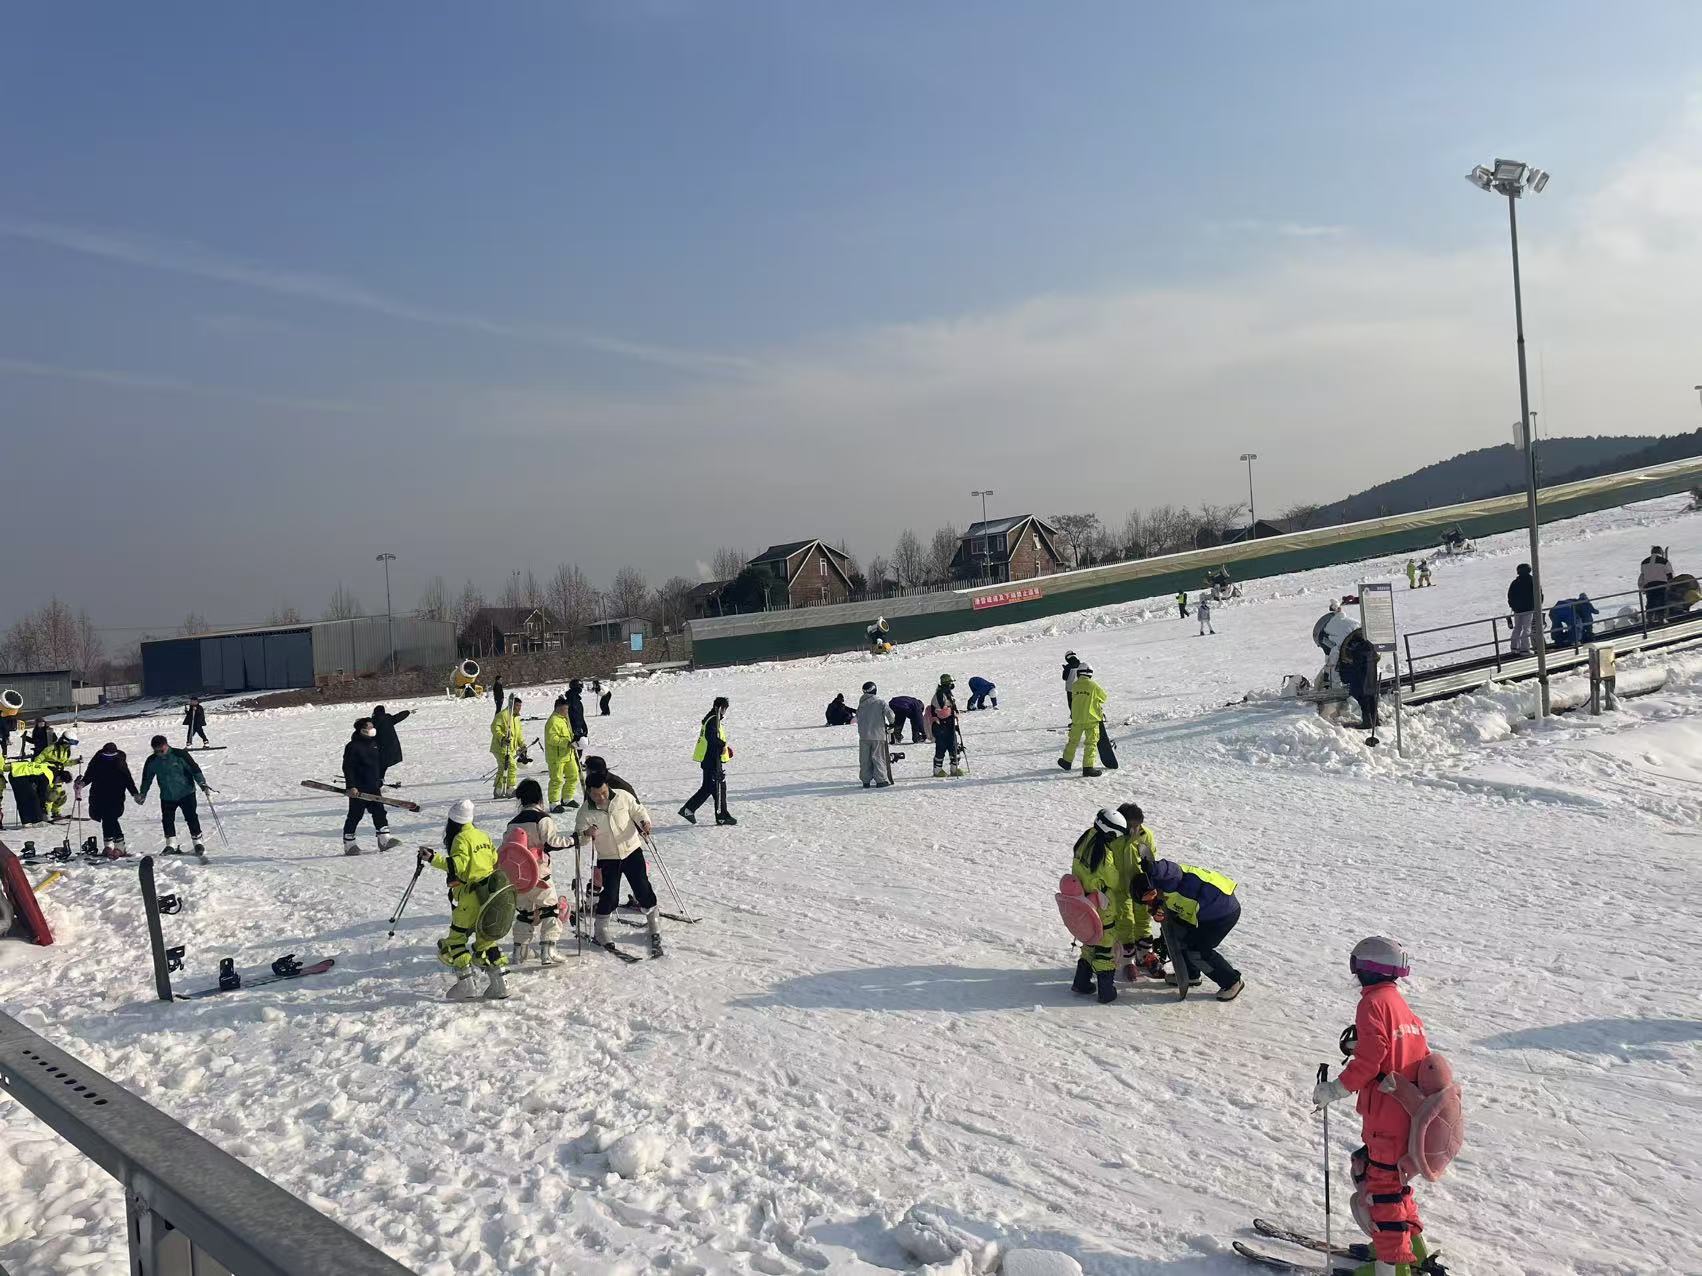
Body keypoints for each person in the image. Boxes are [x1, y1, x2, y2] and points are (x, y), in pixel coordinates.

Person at [1310, 937, 1438, 1275]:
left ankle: (1391, 1267)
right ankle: (1410, 1249)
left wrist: (1335, 1089)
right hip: (1404, 1115)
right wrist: (1362, 1044)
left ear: (1365, 968)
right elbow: (1404, 1053)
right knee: (1384, 1178)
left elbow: (1372, 1059)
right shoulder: (1399, 1005)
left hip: (1388, 1117)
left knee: (1381, 1189)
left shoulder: (1372, 1004)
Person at [420, 798, 510, 1000]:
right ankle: (501, 984)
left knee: (455, 941)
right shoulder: (483, 836)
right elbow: (494, 860)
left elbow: (458, 866)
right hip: (489, 896)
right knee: (486, 940)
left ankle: (466, 985)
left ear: (453, 821)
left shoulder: (460, 839)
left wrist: (433, 858)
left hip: (469, 898)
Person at [1129, 855, 1243, 1000]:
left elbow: (1172, 870)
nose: (1148, 902)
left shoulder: (1169, 880)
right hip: (1203, 912)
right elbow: (1171, 915)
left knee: (1197, 950)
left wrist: (1155, 867)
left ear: (1153, 887)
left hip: (1221, 912)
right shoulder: (1161, 895)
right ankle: (1190, 975)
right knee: (1177, 937)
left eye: (1148, 897)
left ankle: (1232, 981)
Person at [576, 772, 661, 955]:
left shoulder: (622, 796)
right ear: (589, 792)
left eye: (604, 792)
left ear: (607, 787)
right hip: (608, 857)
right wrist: (586, 834)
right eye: (597, 794)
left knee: (642, 888)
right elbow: (580, 839)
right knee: (611, 895)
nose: (601, 797)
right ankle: (601, 929)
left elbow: (638, 811)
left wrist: (644, 822)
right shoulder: (585, 812)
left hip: (631, 850)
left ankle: (653, 921)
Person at [1067, 808, 1141, 1004]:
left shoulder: (1085, 839)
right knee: (1104, 948)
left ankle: (1081, 983)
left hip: (1084, 901)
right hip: (1103, 907)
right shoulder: (1103, 854)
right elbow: (1114, 880)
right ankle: (1106, 992)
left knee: (1090, 942)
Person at [506, 779, 571, 965]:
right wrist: (574, 840)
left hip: (519, 879)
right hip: (540, 874)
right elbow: (552, 842)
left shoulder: (512, 823)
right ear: (539, 797)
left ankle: (519, 952)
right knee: (550, 909)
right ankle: (548, 951)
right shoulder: (542, 819)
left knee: (525, 913)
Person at [137, 735, 210, 855]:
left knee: (191, 817)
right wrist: (143, 793)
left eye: (161, 750)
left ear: (166, 745)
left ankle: (198, 843)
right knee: (167, 819)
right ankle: (171, 844)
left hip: (186, 792)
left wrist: (202, 783)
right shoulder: (152, 760)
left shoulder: (180, 754)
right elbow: (146, 778)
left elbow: (194, 769)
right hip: (167, 795)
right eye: (156, 751)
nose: (159, 753)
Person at [341, 717, 402, 854]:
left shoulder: (374, 744)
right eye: (370, 727)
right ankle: (349, 844)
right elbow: (348, 767)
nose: (372, 729)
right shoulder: (353, 746)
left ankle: (384, 840)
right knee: (355, 815)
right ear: (362, 730)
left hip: (373, 787)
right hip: (358, 788)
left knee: (379, 812)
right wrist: (351, 786)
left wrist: (379, 779)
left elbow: (377, 765)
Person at [77, 741, 140, 857]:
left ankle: (120, 846)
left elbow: (127, 778)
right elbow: (89, 774)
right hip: (99, 793)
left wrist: (134, 793)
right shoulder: (98, 759)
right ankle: (108, 845)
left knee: (111, 817)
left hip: (115, 794)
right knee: (104, 817)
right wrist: (82, 784)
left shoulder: (119, 760)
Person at [680, 696, 734, 825]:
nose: (724, 712)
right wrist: (722, 745)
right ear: (718, 708)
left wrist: (725, 748)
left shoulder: (712, 718)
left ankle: (721, 815)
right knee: (716, 787)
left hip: (711, 759)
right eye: (723, 709)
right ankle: (692, 810)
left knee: (713, 787)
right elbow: (711, 738)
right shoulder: (713, 719)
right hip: (712, 760)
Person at [1058, 661, 1106, 777]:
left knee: (1073, 741)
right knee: (1091, 743)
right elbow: (1104, 697)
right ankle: (1088, 767)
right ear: (1090, 674)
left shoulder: (1074, 686)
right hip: (1091, 719)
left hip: (1077, 719)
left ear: (1079, 673)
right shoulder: (1094, 686)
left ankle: (1066, 761)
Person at [544, 696, 583, 813]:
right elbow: (552, 738)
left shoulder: (564, 719)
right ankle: (554, 803)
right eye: (564, 709)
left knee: (574, 775)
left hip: (568, 754)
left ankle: (567, 798)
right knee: (557, 779)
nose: (566, 711)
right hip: (556, 756)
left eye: (567, 709)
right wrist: (567, 743)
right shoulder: (553, 721)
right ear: (557, 708)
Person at [1337, 629, 1381, 730]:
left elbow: (1353, 666)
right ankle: (1375, 720)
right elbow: (1377, 658)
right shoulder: (1369, 646)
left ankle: (1367, 722)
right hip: (1371, 678)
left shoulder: (1355, 650)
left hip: (1360, 679)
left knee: (1363, 699)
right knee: (1371, 698)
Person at [856, 681, 894, 788]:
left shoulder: (861, 705)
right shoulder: (880, 702)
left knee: (865, 759)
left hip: (864, 736)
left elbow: (858, 717)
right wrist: (891, 724)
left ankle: (865, 780)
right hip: (878, 735)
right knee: (878, 757)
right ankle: (881, 780)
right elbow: (890, 714)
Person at [4, 756, 57, 825]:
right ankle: (37, 821)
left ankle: (26, 821)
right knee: (33, 798)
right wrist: (43, 807)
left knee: (23, 799)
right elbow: (41, 792)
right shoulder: (48, 775)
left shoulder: (44, 767)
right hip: (19, 776)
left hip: (14, 774)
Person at [928, 675, 963, 777]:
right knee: (941, 747)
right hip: (941, 726)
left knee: (954, 746)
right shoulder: (939, 695)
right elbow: (941, 712)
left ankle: (954, 768)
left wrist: (955, 712)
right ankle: (937, 770)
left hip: (950, 725)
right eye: (951, 683)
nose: (952, 685)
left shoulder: (948, 694)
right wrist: (951, 711)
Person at [490, 694, 523, 800]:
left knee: (507, 768)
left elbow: (518, 734)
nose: (519, 708)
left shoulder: (516, 718)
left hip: (511, 748)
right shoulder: (503, 715)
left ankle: (503, 789)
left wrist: (522, 744)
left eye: (520, 706)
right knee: (510, 766)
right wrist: (503, 738)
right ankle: (506, 789)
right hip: (500, 747)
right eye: (517, 706)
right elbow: (495, 728)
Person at [39, 732, 76, 818]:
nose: (69, 746)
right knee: (50, 795)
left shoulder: (67, 751)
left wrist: (76, 761)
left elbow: (64, 763)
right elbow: (39, 759)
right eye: (68, 744)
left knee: (60, 795)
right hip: (48, 774)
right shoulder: (51, 748)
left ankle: (55, 811)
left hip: (58, 775)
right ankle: (45, 814)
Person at [371, 704, 410, 783]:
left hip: (379, 746)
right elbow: (399, 716)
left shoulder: (373, 721)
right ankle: (380, 777)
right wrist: (408, 712)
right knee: (384, 763)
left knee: (376, 762)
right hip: (391, 746)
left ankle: (376, 778)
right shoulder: (388, 718)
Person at [1506, 563, 1536, 654]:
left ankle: (1514, 648)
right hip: (1528, 609)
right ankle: (1525, 648)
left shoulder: (1515, 582)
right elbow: (1538, 593)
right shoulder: (1532, 580)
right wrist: (1537, 605)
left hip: (1517, 610)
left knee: (1517, 628)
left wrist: (1513, 606)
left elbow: (1510, 595)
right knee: (1527, 628)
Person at [1639, 545, 1673, 623]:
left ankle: (1649, 617)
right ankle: (1661, 617)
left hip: (1649, 585)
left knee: (1650, 601)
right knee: (1662, 601)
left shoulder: (1644, 562)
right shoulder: (1664, 561)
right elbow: (1669, 574)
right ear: (1660, 552)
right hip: (1662, 584)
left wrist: (1642, 587)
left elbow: (1643, 575)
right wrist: (1670, 584)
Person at [567, 679, 589, 743]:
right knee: (578, 745)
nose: (581, 689)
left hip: (578, 726)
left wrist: (584, 725)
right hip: (575, 728)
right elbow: (575, 715)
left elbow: (579, 715)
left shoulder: (574, 697)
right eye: (580, 687)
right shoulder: (572, 698)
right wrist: (577, 731)